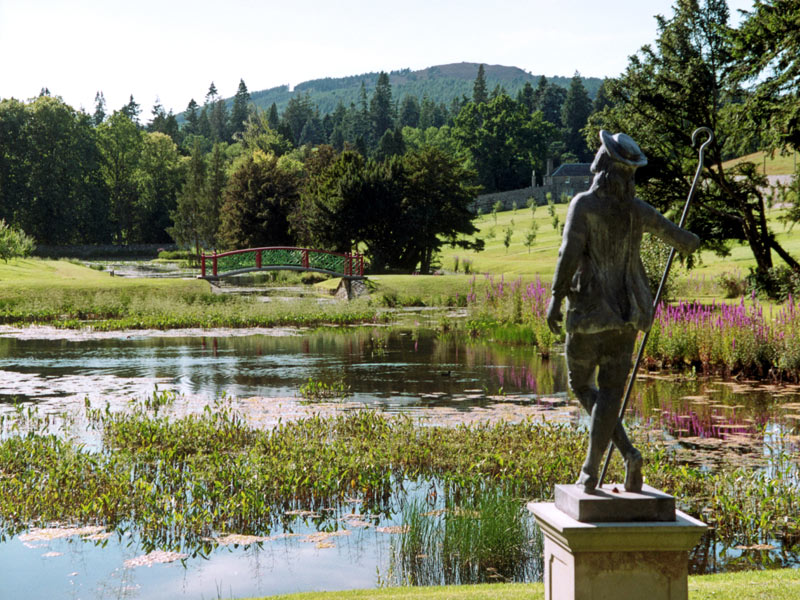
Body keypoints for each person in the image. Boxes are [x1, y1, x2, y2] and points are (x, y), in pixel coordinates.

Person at [546, 130, 700, 494]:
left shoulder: (584, 205)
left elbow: (569, 253)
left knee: (581, 384)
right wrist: (690, 240)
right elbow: (684, 241)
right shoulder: (637, 210)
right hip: (629, 315)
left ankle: (598, 468)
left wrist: (555, 297)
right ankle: (616, 458)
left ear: (601, 166)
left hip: (588, 314)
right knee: (612, 391)